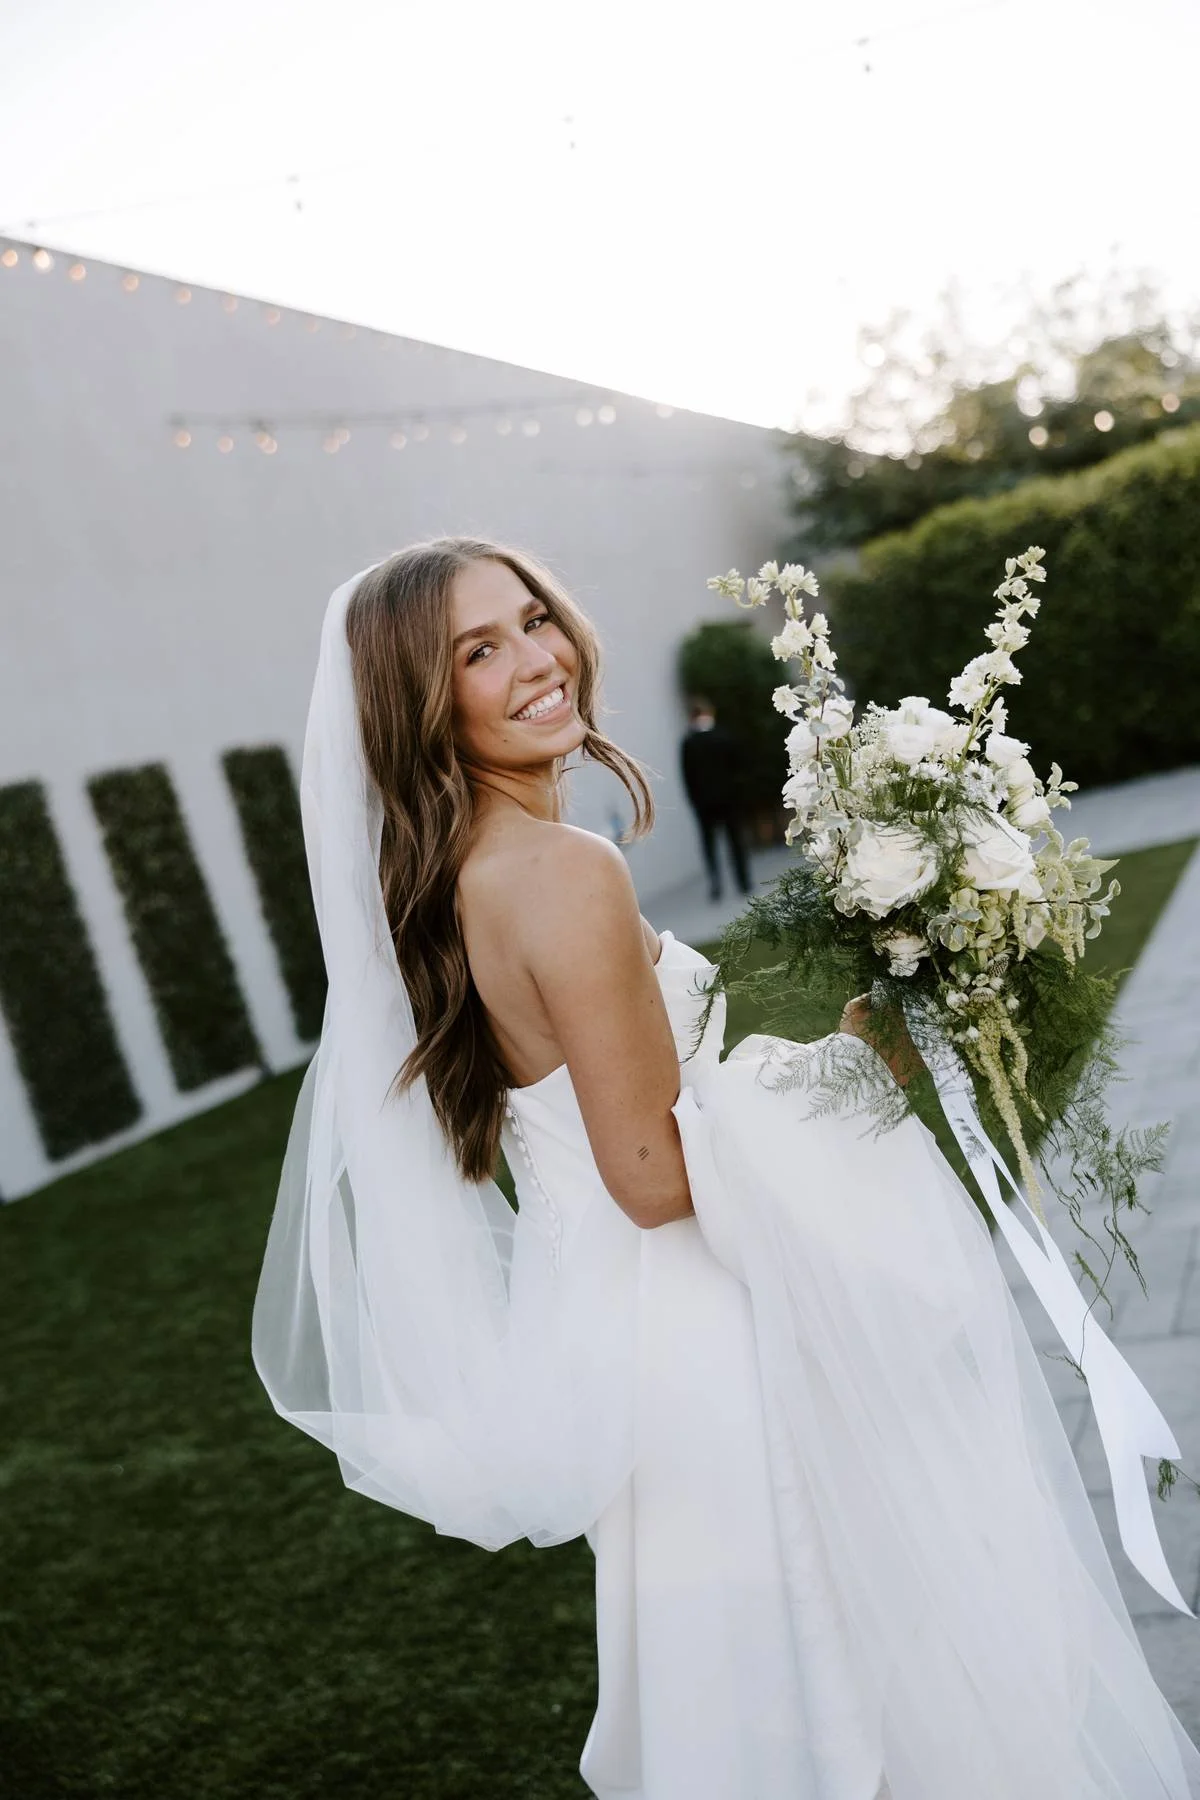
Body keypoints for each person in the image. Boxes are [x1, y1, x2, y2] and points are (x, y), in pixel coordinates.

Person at [253, 538, 1200, 1800]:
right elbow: (648, 1168)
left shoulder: (468, 881)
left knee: (767, 1702)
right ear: (422, 709)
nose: (536, 660)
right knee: (853, 1681)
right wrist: (859, 1067)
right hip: (708, 1334)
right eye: (477, 652)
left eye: (533, 619)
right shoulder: (561, 872)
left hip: (634, 1341)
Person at [679, 697, 753, 900]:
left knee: (709, 846)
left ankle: (716, 885)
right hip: (730, 800)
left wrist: (694, 801)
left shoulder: (688, 742)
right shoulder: (724, 736)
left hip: (704, 804)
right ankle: (744, 882)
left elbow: (687, 776)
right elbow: (738, 768)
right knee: (736, 842)